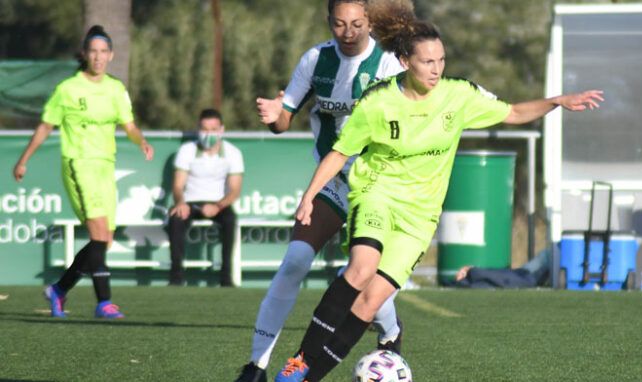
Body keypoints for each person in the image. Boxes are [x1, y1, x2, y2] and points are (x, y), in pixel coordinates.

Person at [272, 1, 604, 380]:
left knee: (370, 303)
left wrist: (557, 102)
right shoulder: (378, 101)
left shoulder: (458, 95)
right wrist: (309, 197)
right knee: (361, 269)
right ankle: (297, 364)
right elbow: (339, 152)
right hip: (378, 194)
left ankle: (310, 378)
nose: (436, 69)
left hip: (420, 217)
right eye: (427, 62)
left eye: (441, 60)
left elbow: (511, 112)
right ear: (404, 62)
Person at [236, 1, 405, 381]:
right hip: (331, 181)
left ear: (369, 23)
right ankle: (256, 366)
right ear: (329, 21)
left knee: (367, 283)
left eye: (357, 24)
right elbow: (284, 119)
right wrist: (274, 113)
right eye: (340, 24)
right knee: (295, 261)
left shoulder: (388, 66)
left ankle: (391, 334)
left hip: (375, 186)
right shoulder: (315, 60)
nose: (348, 32)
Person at [12, 25, 154, 319]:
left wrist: (142, 142)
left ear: (111, 55)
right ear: (84, 55)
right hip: (78, 164)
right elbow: (45, 125)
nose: (99, 57)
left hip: (105, 166)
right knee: (100, 236)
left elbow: (129, 125)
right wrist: (23, 159)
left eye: (104, 52)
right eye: (93, 51)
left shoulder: (116, 89)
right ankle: (104, 302)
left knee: (105, 241)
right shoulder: (68, 89)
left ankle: (59, 290)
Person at [167, 108, 243, 287]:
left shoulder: (233, 153)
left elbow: (234, 191)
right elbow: (178, 186)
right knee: (176, 219)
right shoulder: (186, 150)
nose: (209, 134)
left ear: (222, 130)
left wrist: (218, 206)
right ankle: (176, 278)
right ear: (197, 129)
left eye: (214, 129)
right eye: (204, 129)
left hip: (218, 203)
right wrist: (181, 202)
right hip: (191, 203)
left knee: (230, 220)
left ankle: (226, 278)